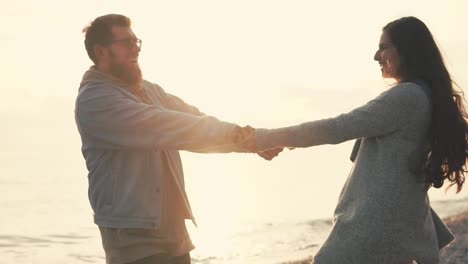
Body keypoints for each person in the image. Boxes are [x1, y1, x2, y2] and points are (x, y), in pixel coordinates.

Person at [241, 17, 468, 263]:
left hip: (373, 229)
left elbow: (336, 128)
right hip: (398, 228)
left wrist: (263, 137)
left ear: (408, 50)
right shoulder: (428, 96)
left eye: (384, 47)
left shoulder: (407, 97)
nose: (376, 56)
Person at [75, 14, 282, 264]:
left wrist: (249, 143)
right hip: (133, 239)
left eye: (136, 41)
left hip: (173, 235)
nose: (135, 49)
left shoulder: (149, 90)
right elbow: (172, 126)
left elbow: (194, 121)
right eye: (126, 43)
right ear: (101, 51)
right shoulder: (95, 101)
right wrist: (241, 136)